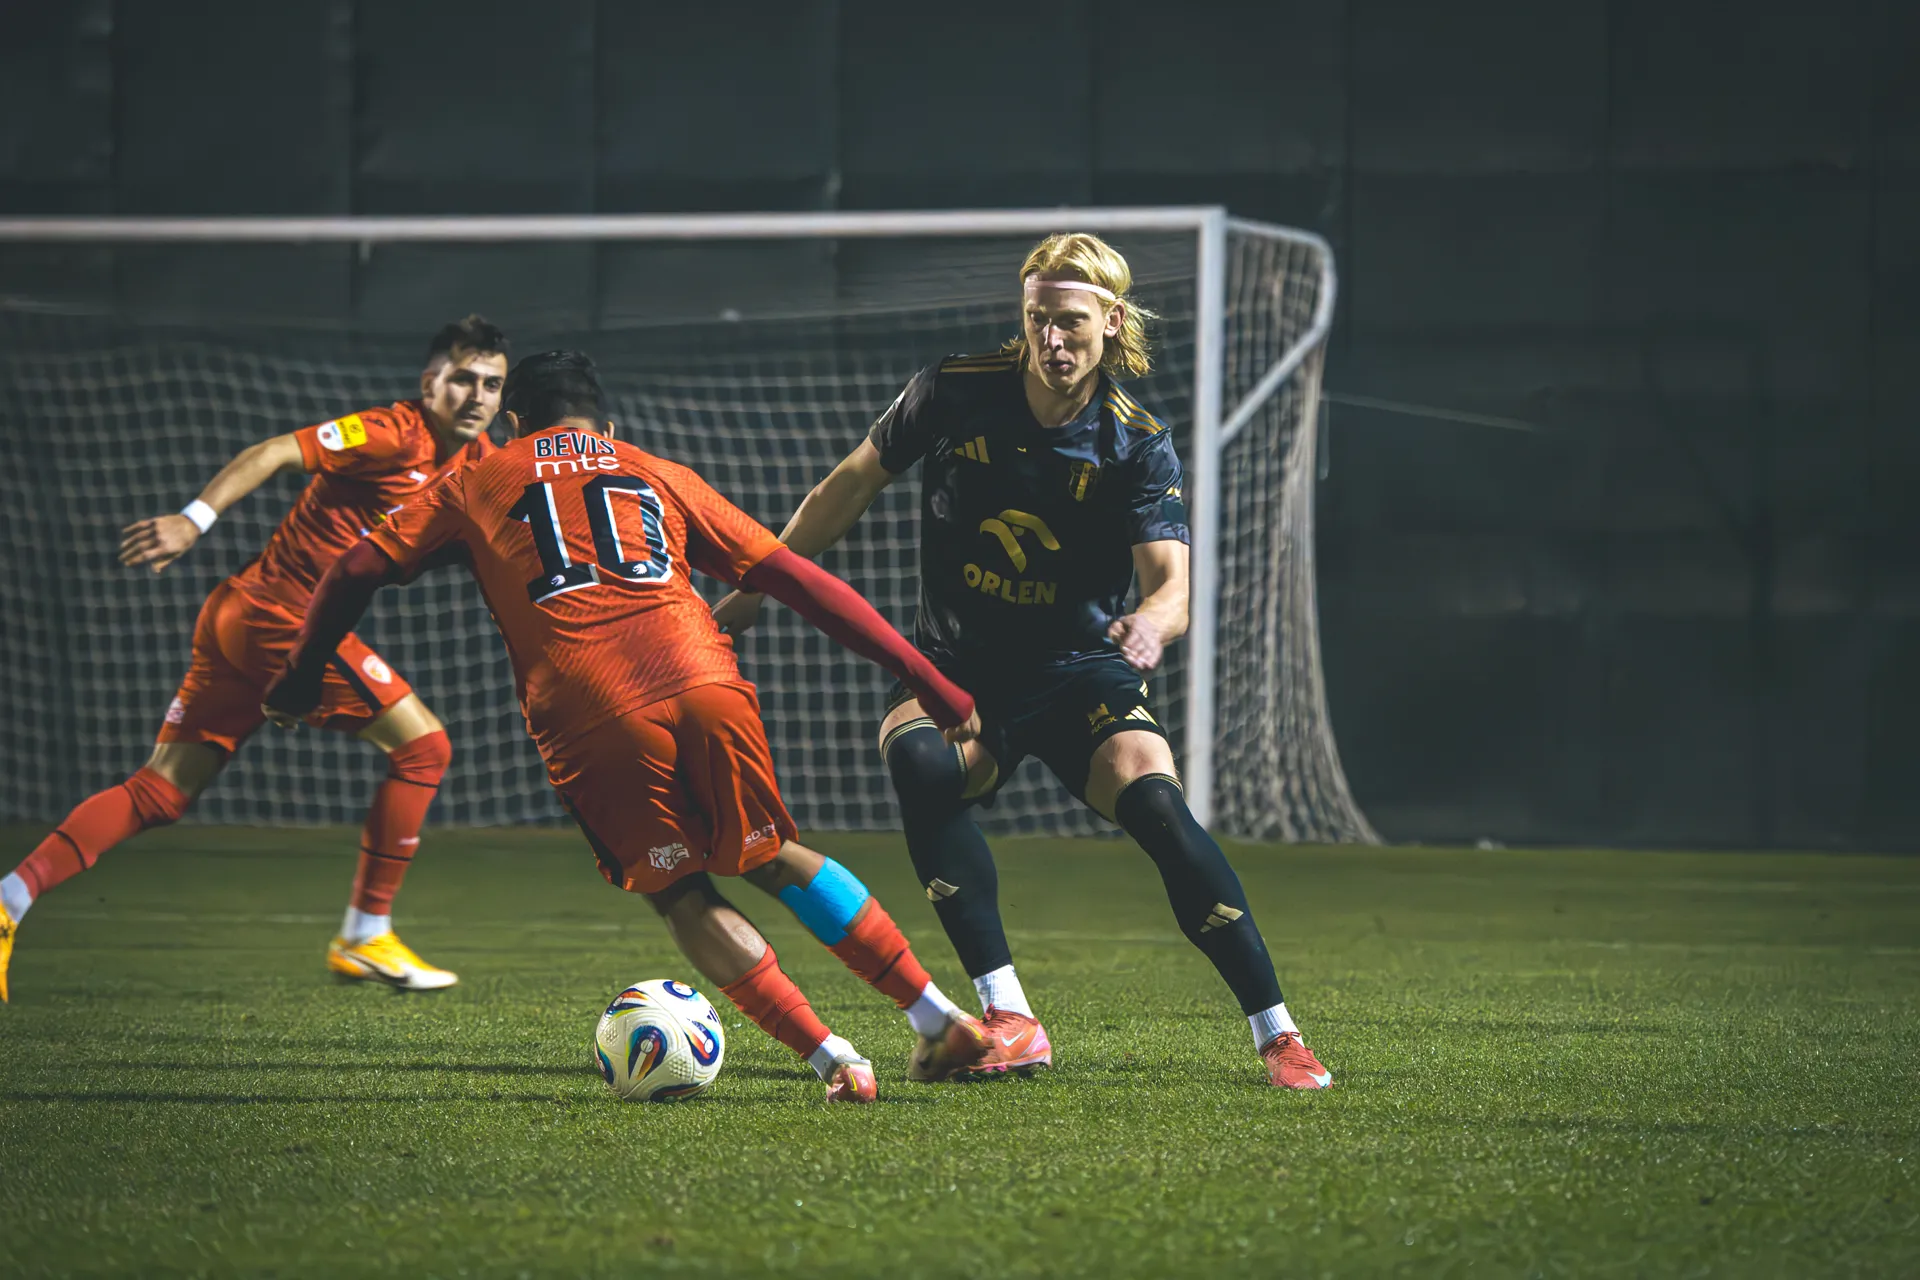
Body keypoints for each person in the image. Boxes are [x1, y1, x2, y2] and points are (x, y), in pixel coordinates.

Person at [262, 350, 989, 1102]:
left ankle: (833, 1059)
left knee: (676, 890)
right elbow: (797, 580)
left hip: (593, 706)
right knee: (772, 855)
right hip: (706, 679)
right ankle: (935, 1017)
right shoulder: (656, 470)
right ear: (605, 427)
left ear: (514, 423)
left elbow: (354, 569)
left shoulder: (476, 478)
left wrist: (298, 676)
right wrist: (926, 677)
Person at [712, 233, 1333, 1088]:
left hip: (1079, 671)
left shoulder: (1135, 442)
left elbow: (1173, 589)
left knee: (1159, 806)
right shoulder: (952, 391)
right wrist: (752, 588)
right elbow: (846, 487)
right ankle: (1008, 1014)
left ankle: (1278, 1035)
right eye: (1038, 317)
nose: (1051, 338)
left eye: (1071, 321)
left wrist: (1151, 625)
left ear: (1111, 322)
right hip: (956, 670)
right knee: (921, 766)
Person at [0, 316, 510, 1002]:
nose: (477, 395)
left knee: (160, 791)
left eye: (491, 384)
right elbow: (273, 452)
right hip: (280, 618)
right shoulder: (392, 432)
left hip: (239, 615)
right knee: (425, 748)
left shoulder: (480, 465)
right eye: (463, 379)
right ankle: (365, 934)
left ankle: (8, 899)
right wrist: (192, 520)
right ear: (430, 384)